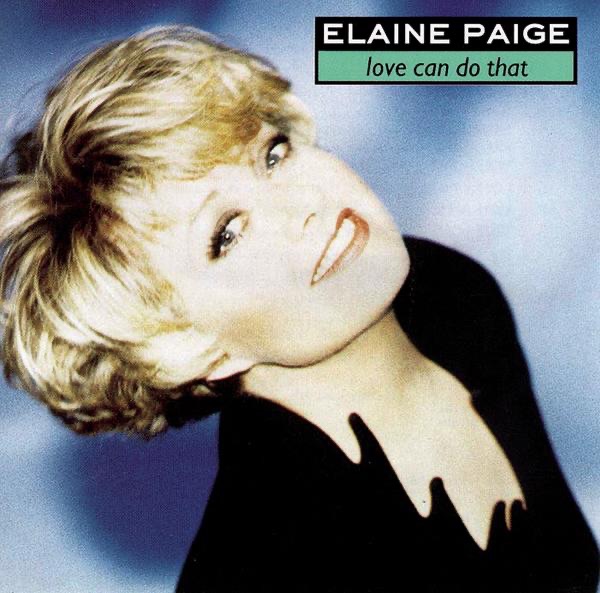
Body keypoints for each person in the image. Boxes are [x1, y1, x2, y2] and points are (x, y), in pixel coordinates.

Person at [0, 26, 597, 593]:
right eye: (227, 233)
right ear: (185, 346)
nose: (303, 202)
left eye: (272, 154)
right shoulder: (267, 564)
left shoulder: (455, 296)